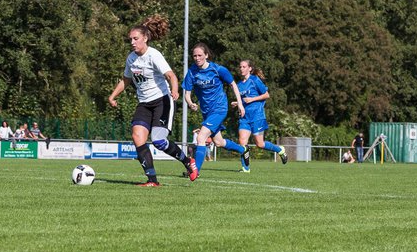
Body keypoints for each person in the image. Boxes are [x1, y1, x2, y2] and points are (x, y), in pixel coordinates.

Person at [107, 13, 198, 186]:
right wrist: (112, 96)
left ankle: (188, 162)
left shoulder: (154, 55)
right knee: (137, 137)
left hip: (162, 101)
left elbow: (171, 75)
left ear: (145, 38)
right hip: (144, 104)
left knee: (158, 141)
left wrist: (175, 90)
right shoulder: (131, 58)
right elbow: (126, 80)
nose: (132, 42)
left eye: (136, 38)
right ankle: (152, 180)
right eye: (130, 39)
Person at [183, 43, 248, 173]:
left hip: (219, 108)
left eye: (200, 55)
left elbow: (233, 85)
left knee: (201, 138)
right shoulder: (191, 72)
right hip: (206, 112)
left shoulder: (218, 70)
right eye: (194, 56)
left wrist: (240, 104)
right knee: (219, 142)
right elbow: (187, 93)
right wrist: (190, 103)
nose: (197, 58)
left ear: (206, 55)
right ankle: (243, 150)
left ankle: (195, 171)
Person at [235, 59, 289, 168]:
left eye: (244, 67)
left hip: (257, 116)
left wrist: (252, 99)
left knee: (260, 144)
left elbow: (266, 95)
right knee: (242, 142)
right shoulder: (239, 85)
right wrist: (237, 103)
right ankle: (245, 168)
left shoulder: (255, 80)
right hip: (244, 117)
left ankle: (280, 150)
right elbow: (243, 100)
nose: (241, 69)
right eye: (240, 67)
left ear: (250, 68)